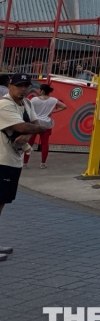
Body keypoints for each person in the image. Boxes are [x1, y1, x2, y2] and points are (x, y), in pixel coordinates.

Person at [0, 74, 47, 262]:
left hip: (13, 160)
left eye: (27, 85)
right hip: (1, 160)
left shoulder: (26, 104)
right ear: (10, 85)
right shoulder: (5, 105)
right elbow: (23, 126)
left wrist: (28, 134)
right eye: (19, 85)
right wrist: (39, 129)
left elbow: (31, 125)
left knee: (2, 202)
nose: (24, 89)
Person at [24, 84, 65, 168]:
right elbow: (64, 106)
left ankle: (25, 163)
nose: (39, 91)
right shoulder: (53, 100)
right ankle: (43, 164)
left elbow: (28, 108)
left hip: (34, 122)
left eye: (40, 90)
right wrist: (52, 112)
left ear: (42, 91)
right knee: (45, 144)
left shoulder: (34, 99)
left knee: (29, 143)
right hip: (46, 123)